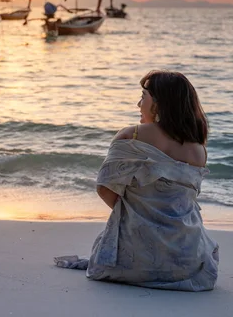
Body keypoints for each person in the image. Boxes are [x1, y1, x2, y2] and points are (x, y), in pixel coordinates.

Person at [54, 70, 219, 291]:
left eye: (143, 96)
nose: (138, 104)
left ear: (158, 104)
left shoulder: (131, 135)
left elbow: (104, 188)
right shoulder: (199, 150)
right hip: (185, 261)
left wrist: (137, 216)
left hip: (132, 260)